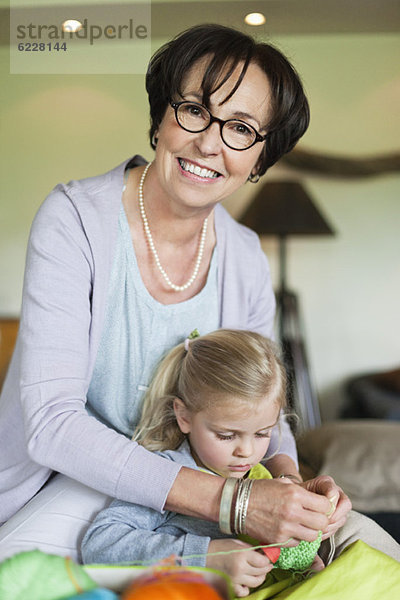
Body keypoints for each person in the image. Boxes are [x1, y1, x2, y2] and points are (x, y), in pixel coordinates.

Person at [0, 24, 348, 562]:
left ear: (259, 158)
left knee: (360, 551)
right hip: (72, 482)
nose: (209, 142)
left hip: (198, 488)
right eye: (194, 110)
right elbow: (53, 423)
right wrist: (235, 502)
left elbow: (264, 410)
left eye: (241, 128)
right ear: (162, 117)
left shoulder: (246, 256)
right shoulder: (73, 220)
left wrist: (289, 487)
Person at [81, 330, 400, 597]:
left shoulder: (266, 474)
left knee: (356, 528)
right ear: (184, 416)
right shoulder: (167, 474)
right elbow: (101, 543)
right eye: (226, 435)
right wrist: (203, 557)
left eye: (262, 432)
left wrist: (308, 548)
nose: (246, 452)